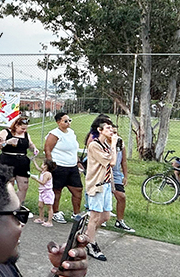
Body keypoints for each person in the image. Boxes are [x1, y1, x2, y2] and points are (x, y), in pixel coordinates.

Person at [84, 120, 118, 261]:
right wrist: (114, 145)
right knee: (95, 217)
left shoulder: (105, 144)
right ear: (100, 129)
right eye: (108, 128)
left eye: (112, 128)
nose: (111, 131)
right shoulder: (94, 145)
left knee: (105, 216)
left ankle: (86, 236)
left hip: (106, 184)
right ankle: (91, 244)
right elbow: (112, 162)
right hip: (97, 184)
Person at [45, 112, 83, 224]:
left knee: (77, 190)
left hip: (72, 167)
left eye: (69, 120)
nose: (68, 123)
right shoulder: (54, 134)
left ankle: (76, 214)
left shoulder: (71, 133)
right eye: (65, 121)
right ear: (58, 122)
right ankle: (55, 212)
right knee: (57, 190)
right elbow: (47, 150)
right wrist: (50, 165)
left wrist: (77, 162)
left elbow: (73, 149)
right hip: (59, 166)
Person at [0, 115, 40, 207]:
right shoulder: (6, 132)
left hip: (22, 161)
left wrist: (34, 148)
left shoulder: (26, 134)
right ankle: (6, 205)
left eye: (25, 129)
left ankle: (18, 205)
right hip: (8, 159)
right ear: (16, 125)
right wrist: (8, 142)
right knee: (9, 185)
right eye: (22, 128)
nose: (24, 131)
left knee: (24, 186)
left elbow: (30, 144)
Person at [110, 127, 135, 233]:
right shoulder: (103, 144)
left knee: (121, 196)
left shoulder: (120, 143)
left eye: (116, 132)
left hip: (116, 174)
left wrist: (125, 176)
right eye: (112, 132)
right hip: (104, 173)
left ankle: (119, 221)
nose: (114, 135)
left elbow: (123, 161)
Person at [30, 159, 56, 227]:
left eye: (43, 164)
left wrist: (35, 179)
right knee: (40, 205)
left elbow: (43, 182)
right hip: (42, 192)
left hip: (47, 192)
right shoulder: (43, 172)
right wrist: (34, 161)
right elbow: (38, 168)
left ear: (46, 166)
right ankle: (41, 218)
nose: (42, 165)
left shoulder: (47, 174)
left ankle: (49, 221)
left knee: (49, 207)